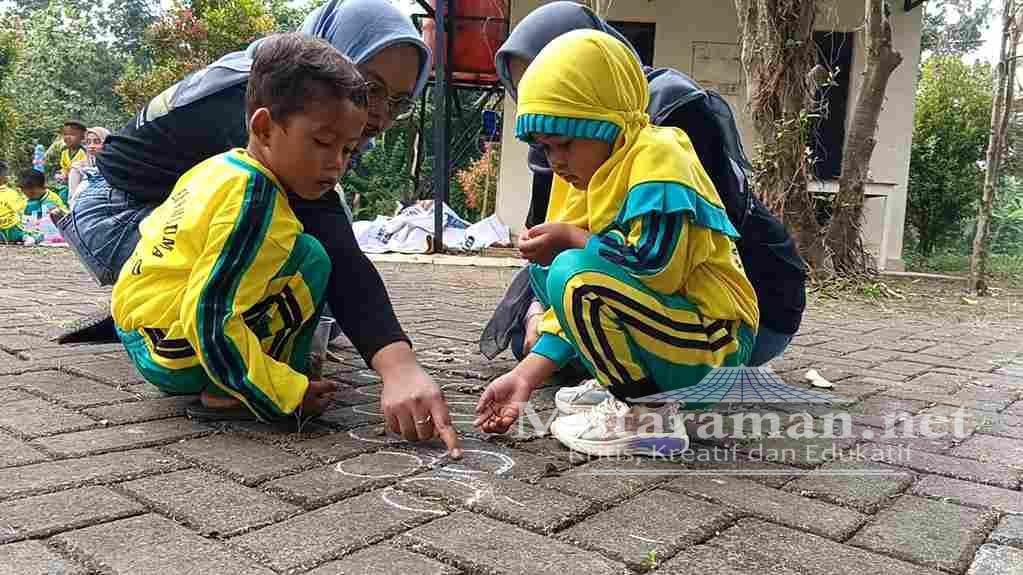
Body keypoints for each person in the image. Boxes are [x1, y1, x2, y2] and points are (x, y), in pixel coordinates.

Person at [55, 0, 461, 456]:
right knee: (271, 261)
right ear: (264, 127)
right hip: (114, 211)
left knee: (304, 264)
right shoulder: (272, 106)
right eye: (372, 88)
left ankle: (162, 314)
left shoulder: (283, 117)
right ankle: (210, 368)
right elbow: (337, 253)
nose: (381, 114)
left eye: (400, 101)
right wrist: (394, 366)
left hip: (167, 224)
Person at [479, 2, 807, 379]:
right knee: (545, 301)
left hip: (749, 310)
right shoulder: (573, 152)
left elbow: (660, 263)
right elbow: (558, 251)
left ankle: (646, 401)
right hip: (648, 295)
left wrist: (573, 244)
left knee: (575, 280)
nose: (535, 97)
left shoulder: (664, 136)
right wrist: (533, 345)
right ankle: (632, 387)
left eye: (554, 78)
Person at [474, 30, 759, 457]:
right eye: (545, 149)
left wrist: (573, 238)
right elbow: (580, 292)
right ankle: (623, 387)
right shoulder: (591, 174)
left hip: (717, 343)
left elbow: (654, 267)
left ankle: (647, 415)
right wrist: (524, 377)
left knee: (572, 272)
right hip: (674, 330)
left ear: (607, 123)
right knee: (550, 270)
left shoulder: (660, 157)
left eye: (565, 143)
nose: (556, 161)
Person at [112, 33, 365, 421]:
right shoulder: (255, 198)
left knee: (303, 251)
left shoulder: (222, 168)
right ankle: (235, 392)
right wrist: (286, 394)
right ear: (264, 129)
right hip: (174, 347)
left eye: (347, 149)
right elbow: (208, 313)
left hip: (144, 327)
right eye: (322, 142)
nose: (336, 163)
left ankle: (260, 374)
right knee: (312, 261)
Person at [67, 127, 110, 208]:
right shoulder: (78, 168)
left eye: (97, 142)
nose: (91, 146)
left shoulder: (114, 167)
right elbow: (72, 199)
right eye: (88, 142)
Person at [57, 120, 88, 204]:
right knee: (61, 193)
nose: (67, 137)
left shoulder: (84, 152)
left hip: (80, 184)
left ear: (82, 137)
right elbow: (64, 167)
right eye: (65, 134)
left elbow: (85, 170)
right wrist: (63, 174)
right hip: (66, 182)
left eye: (72, 134)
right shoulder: (64, 151)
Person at [0, 161, 27, 244]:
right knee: (36, 235)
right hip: (12, 231)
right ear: (3, 177)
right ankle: (25, 237)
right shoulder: (11, 193)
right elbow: (22, 210)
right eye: (7, 175)